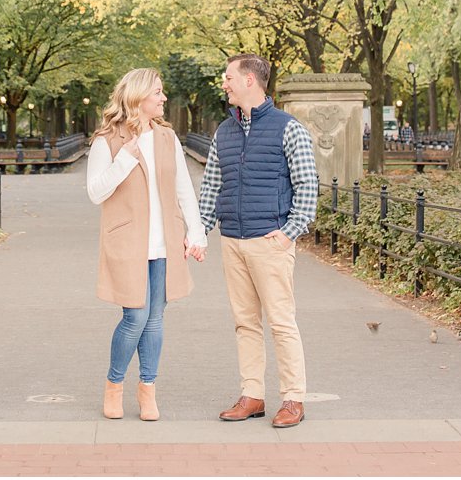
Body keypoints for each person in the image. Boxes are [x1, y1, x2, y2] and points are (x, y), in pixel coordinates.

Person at [197, 53, 319, 428]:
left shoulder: (288, 128)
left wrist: (288, 233)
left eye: (229, 76)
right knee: (245, 323)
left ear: (250, 80)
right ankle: (252, 395)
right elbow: (212, 187)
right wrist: (199, 233)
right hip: (233, 239)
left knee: (281, 322)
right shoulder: (224, 131)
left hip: (270, 240)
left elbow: (308, 186)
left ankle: (293, 398)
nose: (224, 82)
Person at [86, 68, 206, 422]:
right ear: (139, 96)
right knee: (135, 316)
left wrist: (195, 232)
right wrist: (125, 157)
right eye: (158, 92)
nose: (163, 98)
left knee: (155, 320)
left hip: (164, 242)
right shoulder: (107, 140)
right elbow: (96, 192)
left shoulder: (168, 137)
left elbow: (183, 187)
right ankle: (114, 385)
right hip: (127, 243)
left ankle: (148, 390)